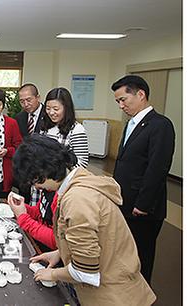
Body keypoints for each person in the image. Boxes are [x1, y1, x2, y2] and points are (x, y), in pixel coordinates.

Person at [12, 135, 155, 306]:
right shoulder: (80, 181)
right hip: (119, 284)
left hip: (112, 296)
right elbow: (96, 238)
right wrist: (60, 253)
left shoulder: (77, 200)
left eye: (34, 180)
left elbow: (86, 273)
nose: (35, 187)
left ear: (43, 171)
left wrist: (53, 274)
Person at [111, 75, 175, 283]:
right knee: (126, 253)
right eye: (118, 101)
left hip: (143, 208)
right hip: (125, 202)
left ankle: (141, 297)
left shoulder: (160, 125)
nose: (121, 105)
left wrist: (143, 204)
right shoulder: (133, 124)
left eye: (123, 100)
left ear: (140, 94)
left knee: (141, 257)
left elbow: (157, 168)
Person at [39, 87, 89, 168]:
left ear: (66, 108)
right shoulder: (45, 126)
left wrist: (58, 171)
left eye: (56, 109)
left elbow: (82, 163)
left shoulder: (76, 129)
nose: (51, 112)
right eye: (48, 108)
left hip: (63, 177)